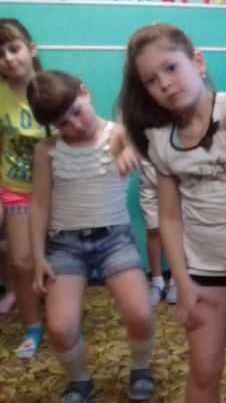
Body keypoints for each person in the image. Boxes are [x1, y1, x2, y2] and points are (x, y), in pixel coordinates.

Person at [119, 23, 226, 403]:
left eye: (171, 68)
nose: (164, 83)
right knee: (205, 367)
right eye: (151, 80)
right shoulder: (161, 139)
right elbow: (169, 217)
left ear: (198, 62)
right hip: (201, 264)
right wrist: (182, 280)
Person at [27, 70, 155, 402]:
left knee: (140, 313)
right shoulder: (47, 149)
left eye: (76, 111)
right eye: (62, 123)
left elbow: (138, 140)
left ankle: (141, 368)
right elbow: (39, 205)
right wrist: (38, 257)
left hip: (114, 240)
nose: (75, 125)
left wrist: (131, 151)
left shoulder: (118, 133)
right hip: (64, 245)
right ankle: (80, 381)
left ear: (85, 92)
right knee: (60, 327)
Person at [0, 18, 46, 359]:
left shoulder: (53, 88)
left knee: (59, 260)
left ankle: (63, 315)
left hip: (56, 192)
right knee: (21, 261)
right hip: (15, 188)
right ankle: (32, 326)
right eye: (0, 53)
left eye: (14, 48)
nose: (8, 58)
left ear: (31, 50)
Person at [139, 159, 176, 306]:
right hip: (148, 181)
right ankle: (157, 281)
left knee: (175, 230)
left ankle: (175, 280)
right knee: (153, 229)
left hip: (176, 180)